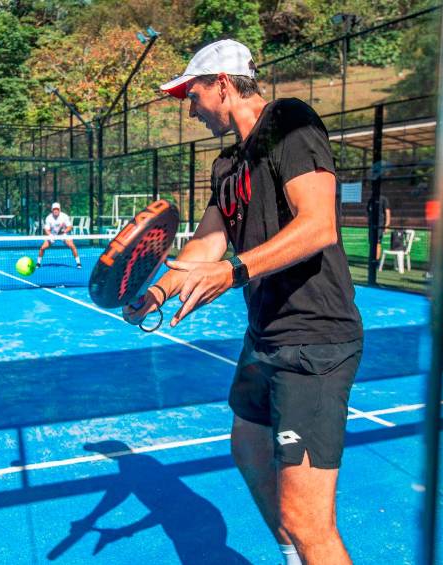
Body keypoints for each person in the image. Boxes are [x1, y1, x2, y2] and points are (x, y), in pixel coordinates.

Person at [124, 39, 363, 565]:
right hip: (266, 336)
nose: (189, 107)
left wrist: (234, 271)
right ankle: (294, 557)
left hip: (314, 341)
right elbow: (210, 240)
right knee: (247, 444)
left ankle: (305, 546)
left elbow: (319, 223)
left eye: (192, 94)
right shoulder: (227, 165)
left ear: (223, 85)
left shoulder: (289, 123)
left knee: (308, 519)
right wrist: (157, 292)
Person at [36, 202, 81, 269]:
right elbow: (46, 229)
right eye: (54, 209)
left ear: (59, 210)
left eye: (57, 209)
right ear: (52, 210)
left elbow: (69, 226)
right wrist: (50, 235)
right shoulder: (48, 218)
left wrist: (64, 231)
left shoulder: (64, 216)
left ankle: (78, 263)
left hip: (63, 234)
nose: (56, 210)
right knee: (42, 248)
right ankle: (38, 263)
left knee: (72, 246)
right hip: (52, 235)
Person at [366, 194, 391, 260]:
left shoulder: (383, 199)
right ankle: (372, 259)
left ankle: (376, 261)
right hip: (371, 226)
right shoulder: (370, 200)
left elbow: (387, 213)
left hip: (379, 226)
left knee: (377, 244)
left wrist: (387, 226)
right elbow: (368, 212)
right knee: (371, 243)